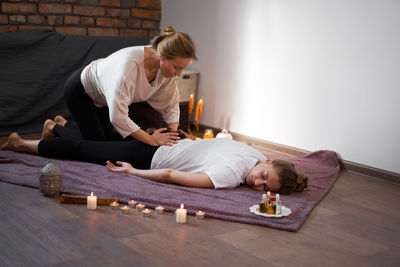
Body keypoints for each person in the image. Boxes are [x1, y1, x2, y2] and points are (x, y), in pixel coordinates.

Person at [1, 123, 308, 195]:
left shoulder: (251, 152)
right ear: (267, 161)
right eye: (264, 176)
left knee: (97, 144)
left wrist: (191, 143)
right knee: (86, 150)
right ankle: (21, 143)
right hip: (151, 156)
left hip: (165, 146)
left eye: (265, 189)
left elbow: (211, 145)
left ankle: (56, 127)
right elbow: (169, 175)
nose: (257, 183)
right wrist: (134, 172)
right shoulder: (229, 176)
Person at [56, 25, 197, 146]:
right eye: (177, 67)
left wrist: (174, 133)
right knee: (97, 145)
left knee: (108, 139)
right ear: (162, 57)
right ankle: (53, 128)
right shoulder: (129, 66)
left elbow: (170, 103)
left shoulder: (167, 70)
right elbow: (118, 117)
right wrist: (150, 139)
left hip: (104, 99)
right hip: (80, 91)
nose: (179, 74)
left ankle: (65, 124)